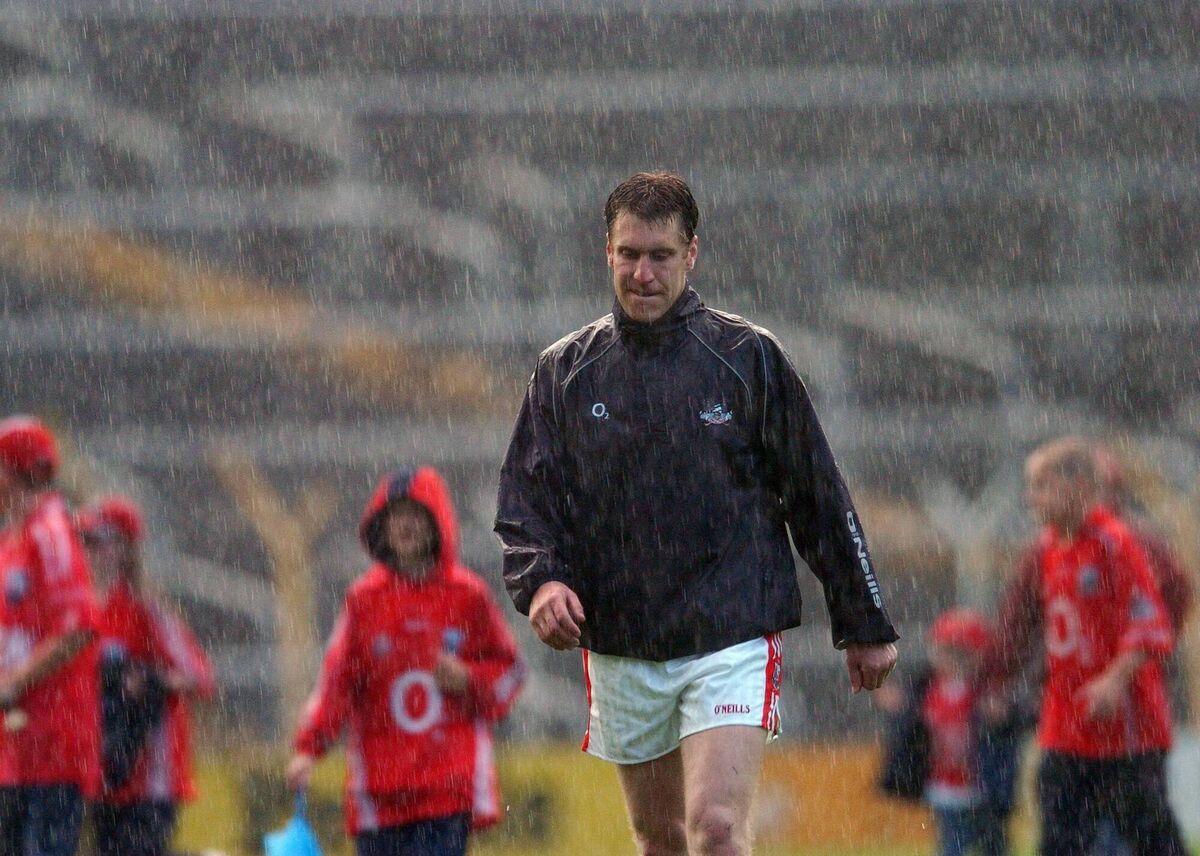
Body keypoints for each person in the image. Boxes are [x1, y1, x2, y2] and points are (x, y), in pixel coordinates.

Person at [494, 171, 899, 856]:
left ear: (692, 255)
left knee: (714, 829)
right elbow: (527, 504)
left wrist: (862, 621)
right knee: (661, 839)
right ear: (608, 254)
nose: (643, 272)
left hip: (729, 634)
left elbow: (818, 496)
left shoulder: (748, 359)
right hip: (624, 639)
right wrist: (543, 583)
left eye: (659, 255)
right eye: (629, 254)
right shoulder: (565, 371)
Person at [287, 466, 525, 856]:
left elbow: (510, 673)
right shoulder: (363, 601)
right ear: (379, 526)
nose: (405, 525)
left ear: (438, 523)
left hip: (446, 789)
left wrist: (469, 680)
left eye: (416, 514)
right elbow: (337, 680)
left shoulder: (468, 596)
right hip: (378, 792)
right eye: (395, 515)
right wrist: (308, 748)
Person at [983, 441, 1194, 856]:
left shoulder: (1117, 542)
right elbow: (1016, 621)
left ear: (1078, 486)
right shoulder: (1044, 550)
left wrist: (1115, 680)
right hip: (1067, 723)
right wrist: (999, 680)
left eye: (1041, 486)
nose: (1031, 498)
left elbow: (1151, 622)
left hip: (1125, 730)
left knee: (1152, 836)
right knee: (1058, 836)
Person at [78, 495, 216, 856]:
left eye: (98, 541)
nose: (88, 550)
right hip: (107, 771)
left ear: (123, 548)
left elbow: (199, 678)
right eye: (84, 541)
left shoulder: (146, 608)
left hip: (151, 774)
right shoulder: (83, 609)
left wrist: (148, 681)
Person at [0, 415, 101, 856]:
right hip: (15, 753)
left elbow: (77, 626)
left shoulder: (50, 531)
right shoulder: (13, 539)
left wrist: (13, 684)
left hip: (52, 751)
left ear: (12, 469)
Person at [878, 608, 1019, 856]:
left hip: (982, 789)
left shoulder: (987, 691)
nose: (955, 660)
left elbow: (1014, 721)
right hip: (945, 789)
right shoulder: (925, 689)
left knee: (994, 845)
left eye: (963, 654)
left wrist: (1002, 716)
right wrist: (899, 709)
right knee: (952, 844)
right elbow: (909, 727)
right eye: (948, 652)